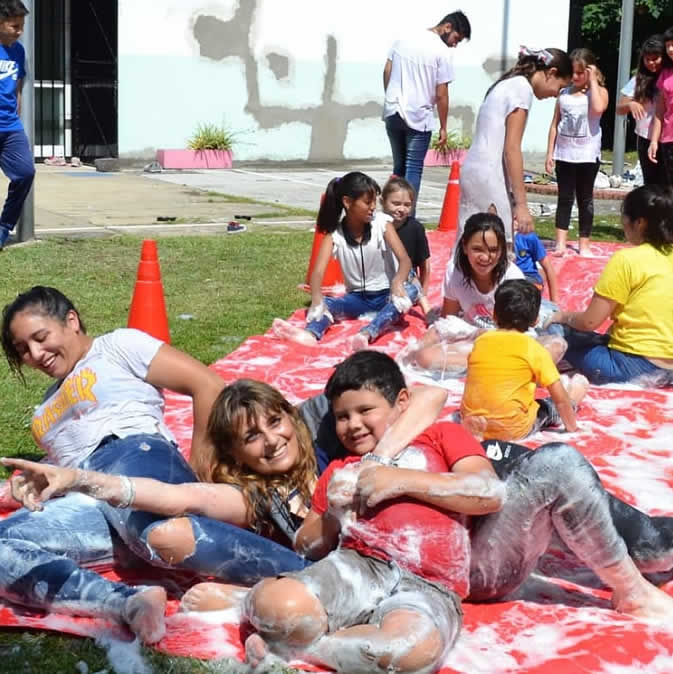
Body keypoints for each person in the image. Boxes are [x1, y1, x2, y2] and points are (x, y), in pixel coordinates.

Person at [240, 351, 673, 672]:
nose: (352, 425)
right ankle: (302, 642)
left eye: (364, 411)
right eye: (341, 417)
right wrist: (335, 511)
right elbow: (308, 543)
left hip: (455, 572)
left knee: (560, 463)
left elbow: (487, 492)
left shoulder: (438, 436)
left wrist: (401, 480)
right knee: (275, 604)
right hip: (364, 568)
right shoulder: (340, 469)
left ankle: (631, 592)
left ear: (401, 402)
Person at [0, 285, 240, 642]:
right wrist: (26, 487)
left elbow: (206, 384)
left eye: (40, 337)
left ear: (71, 320)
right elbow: (63, 472)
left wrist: (200, 476)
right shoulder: (42, 414)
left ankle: (298, 577)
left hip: (139, 467)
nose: (35, 354)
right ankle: (129, 602)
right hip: (90, 501)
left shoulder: (115, 347)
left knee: (158, 533)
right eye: (23, 349)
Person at [271, 171, 417, 349]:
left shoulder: (382, 223)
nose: (373, 207)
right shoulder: (334, 235)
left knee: (411, 290)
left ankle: (367, 333)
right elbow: (317, 273)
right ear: (347, 202)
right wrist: (316, 300)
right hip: (356, 300)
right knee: (326, 304)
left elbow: (405, 260)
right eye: (367, 202)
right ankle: (311, 334)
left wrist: (398, 282)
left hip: (386, 296)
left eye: (374, 201)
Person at [547, 185, 673, 386]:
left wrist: (562, 316)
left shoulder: (627, 259)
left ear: (639, 223)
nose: (622, 223)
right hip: (669, 369)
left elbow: (589, 322)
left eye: (624, 217)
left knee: (556, 329)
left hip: (633, 368)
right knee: (598, 337)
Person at [457, 47, 572, 246]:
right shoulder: (521, 90)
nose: (556, 95)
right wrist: (522, 205)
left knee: (468, 242)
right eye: (560, 87)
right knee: (499, 245)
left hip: (474, 170)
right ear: (551, 73)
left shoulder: (506, 84)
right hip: (490, 175)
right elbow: (512, 148)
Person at [459, 279, 588, 441]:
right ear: (535, 320)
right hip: (511, 429)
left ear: (494, 315)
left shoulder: (480, 342)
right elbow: (560, 399)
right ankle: (577, 391)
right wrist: (573, 429)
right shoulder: (533, 348)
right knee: (550, 405)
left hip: (471, 425)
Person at [405, 211, 525, 376]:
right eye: (477, 249)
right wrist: (421, 345)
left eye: (493, 250)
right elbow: (448, 320)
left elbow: (516, 335)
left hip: (502, 342)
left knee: (551, 347)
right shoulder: (455, 271)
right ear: (464, 246)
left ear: (502, 250)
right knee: (422, 355)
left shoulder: (513, 278)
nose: (485, 257)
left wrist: (474, 333)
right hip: (472, 338)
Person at [382, 10, 471, 212]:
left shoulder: (404, 39)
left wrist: (390, 97)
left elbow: (387, 70)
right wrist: (443, 126)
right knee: (413, 168)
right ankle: (407, 216)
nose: (455, 45)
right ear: (447, 27)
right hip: (418, 116)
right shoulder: (441, 52)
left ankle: (391, 213)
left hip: (393, 111)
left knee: (399, 167)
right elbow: (442, 94)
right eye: (456, 39)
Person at [545, 48, 609, 257]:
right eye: (573, 72)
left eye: (581, 72)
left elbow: (598, 109)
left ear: (590, 71)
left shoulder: (598, 92)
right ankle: (560, 243)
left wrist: (593, 81)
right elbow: (555, 124)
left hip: (587, 155)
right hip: (565, 154)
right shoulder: (564, 93)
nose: (576, 76)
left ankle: (584, 243)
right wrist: (550, 153)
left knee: (585, 198)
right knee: (565, 198)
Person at [0, 0, 35, 250]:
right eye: (14, 26)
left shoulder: (18, 51)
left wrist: (17, 116)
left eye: (22, 25)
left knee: (25, 172)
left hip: (10, 126)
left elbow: (17, 87)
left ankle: (4, 227)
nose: (20, 31)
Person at [379, 176, 435, 324]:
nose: (401, 209)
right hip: (380, 278)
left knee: (410, 274)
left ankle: (426, 309)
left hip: (405, 279)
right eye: (396, 203)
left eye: (407, 205)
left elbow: (425, 264)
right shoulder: (375, 225)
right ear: (382, 201)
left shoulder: (415, 228)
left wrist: (423, 291)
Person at [616, 35, 665, 186]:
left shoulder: (668, 77)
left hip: (667, 137)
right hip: (645, 138)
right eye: (647, 59)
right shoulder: (638, 79)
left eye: (655, 58)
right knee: (651, 184)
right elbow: (619, 108)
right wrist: (630, 105)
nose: (651, 63)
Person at [648, 27, 673, 186]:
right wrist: (654, 141)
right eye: (668, 45)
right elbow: (659, 111)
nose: (670, 49)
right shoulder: (665, 74)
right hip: (669, 139)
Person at [514, 229, 559, 302]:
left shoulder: (527, 236)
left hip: (528, 278)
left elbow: (548, 267)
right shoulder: (499, 236)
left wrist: (554, 303)